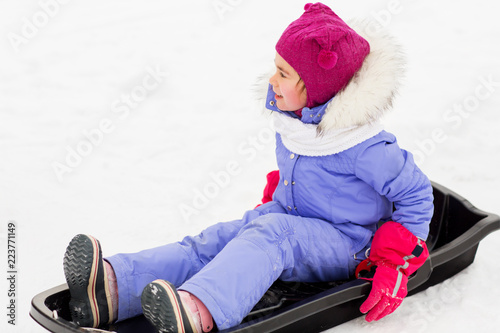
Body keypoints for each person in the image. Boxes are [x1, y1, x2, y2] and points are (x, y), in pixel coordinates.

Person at [62, 3, 434, 332]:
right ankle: (114, 288)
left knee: (275, 233)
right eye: (275, 68)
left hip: (350, 244)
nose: (272, 80)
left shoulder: (363, 145)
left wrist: (391, 263)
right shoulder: (297, 122)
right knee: (221, 238)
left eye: (284, 73)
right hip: (295, 217)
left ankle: (200, 310)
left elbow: (416, 194)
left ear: (317, 87)